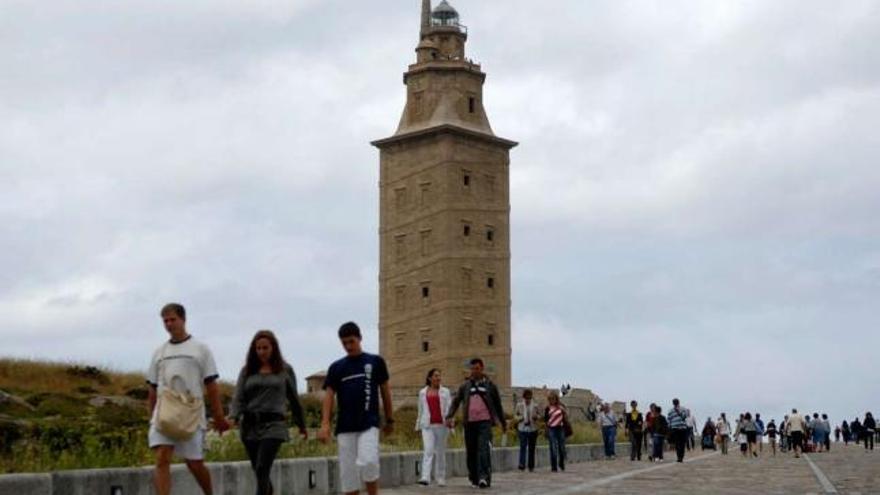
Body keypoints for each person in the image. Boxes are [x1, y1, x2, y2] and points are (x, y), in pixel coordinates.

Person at [147, 303, 230, 495]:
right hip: (165, 412)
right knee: (162, 457)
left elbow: (211, 385)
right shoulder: (159, 353)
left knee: (194, 463)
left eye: (172, 319)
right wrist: (152, 416)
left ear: (183, 319)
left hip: (191, 412)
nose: (169, 324)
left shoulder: (200, 349)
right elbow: (152, 388)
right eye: (165, 321)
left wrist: (219, 417)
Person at [318, 322, 394, 495]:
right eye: (344, 343)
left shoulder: (375, 361)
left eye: (351, 341)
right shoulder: (336, 367)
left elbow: (385, 392)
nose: (348, 346)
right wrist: (325, 424)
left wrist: (390, 419)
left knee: (369, 461)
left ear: (359, 338)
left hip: (369, 422)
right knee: (348, 474)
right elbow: (329, 396)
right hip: (345, 426)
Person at [229, 330, 307, 495]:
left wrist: (302, 425)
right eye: (258, 348)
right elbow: (238, 397)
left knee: (262, 467)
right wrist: (233, 417)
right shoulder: (247, 370)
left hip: (274, 426)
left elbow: (294, 399)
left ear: (273, 348)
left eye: (265, 348)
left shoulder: (285, 370)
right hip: (250, 426)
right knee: (259, 471)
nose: (262, 352)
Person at [446, 358, 506, 489]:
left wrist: (502, 423)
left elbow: (498, 405)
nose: (474, 371)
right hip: (469, 422)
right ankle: (474, 477)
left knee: (483, 449)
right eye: (472, 369)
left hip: (485, 422)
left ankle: (484, 477)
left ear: (482, 368)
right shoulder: (465, 386)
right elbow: (456, 401)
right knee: (471, 451)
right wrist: (449, 415)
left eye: (477, 368)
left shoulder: (490, 386)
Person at [416, 369, 451, 486]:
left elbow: (449, 408)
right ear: (430, 378)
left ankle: (440, 477)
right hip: (427, 425)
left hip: (442, 425)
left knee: (440, 452)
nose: (438, 378)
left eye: (439, 376)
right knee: (428, 450)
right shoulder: (422, 392)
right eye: (435, 376)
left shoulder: (445, 391)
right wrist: (418, 424)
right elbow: (420, 410)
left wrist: (450, 420)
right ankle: (425, 477)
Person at [514, 389, 541, 472]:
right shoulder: (519, 405)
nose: (528, 400)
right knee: (523, 447)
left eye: (529, 398)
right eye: (526, 398)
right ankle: (521, 464)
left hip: (533, 428)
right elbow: (515, 415)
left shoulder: (535, 406)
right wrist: (520, 418)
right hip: (522, 428)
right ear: (524, 397)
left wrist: (536, 417)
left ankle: (531, 466)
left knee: (531, 448)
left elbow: (540, 415)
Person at [544, 391, 568, 472]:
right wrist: (546, 429)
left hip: (560, 428)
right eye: (550, 399)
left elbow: (566, 416)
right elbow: (546, 420)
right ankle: (553, 466)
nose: (551, 400)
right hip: (551, 429)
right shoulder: (547, 408)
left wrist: (564, 412)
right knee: (553, 447)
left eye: (553, 399)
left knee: (561, 447)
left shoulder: (561, 406)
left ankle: (561, 462)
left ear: (556, 399)